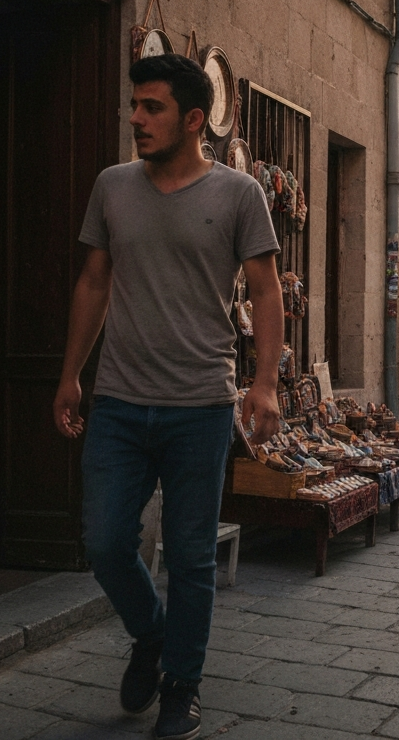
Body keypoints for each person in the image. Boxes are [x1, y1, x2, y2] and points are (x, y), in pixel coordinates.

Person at [53, 54, 282, 740]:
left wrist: (265, 383)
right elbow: (94, 281)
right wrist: (71, 374)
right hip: (120, 401)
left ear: (191, 119)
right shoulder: (112, 186)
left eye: (150, 108)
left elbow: (267, 290)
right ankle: (151, 635)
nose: (135, 119)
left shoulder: (239, 195)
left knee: (189, 556)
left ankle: (181, 686)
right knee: (104, 541)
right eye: (133, 106)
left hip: (200, 406)